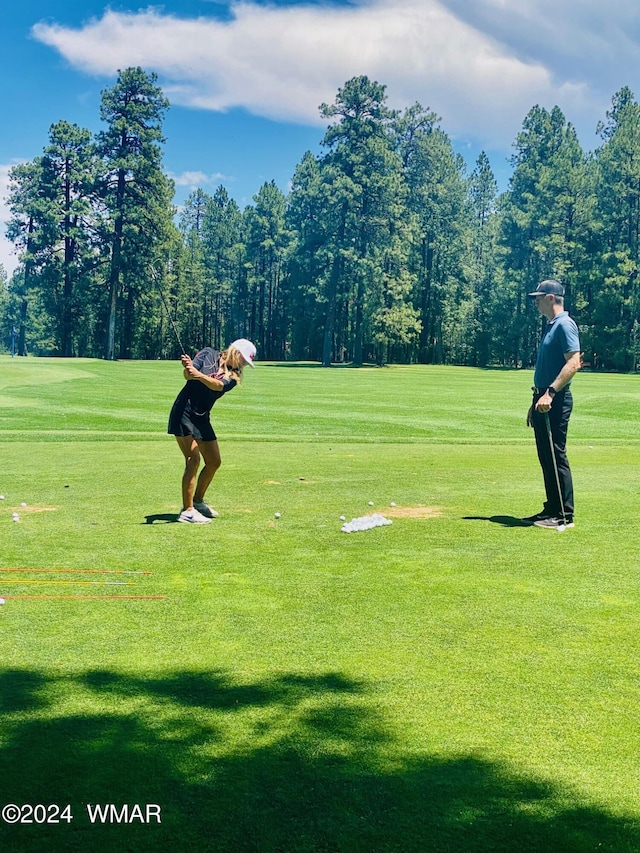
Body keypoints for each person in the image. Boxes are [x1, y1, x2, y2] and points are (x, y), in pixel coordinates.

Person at [168, 339, 256, 523]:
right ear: (236, 352)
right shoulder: (208, 354)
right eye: (243, 360)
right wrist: (188, 368)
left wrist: (197, 374)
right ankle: (187, 510)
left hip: (201, 417)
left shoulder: (234, 376)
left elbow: (218, 385)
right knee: (193, 459)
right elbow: (187, 375)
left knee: (214, 461)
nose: (243, 365)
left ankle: (198, 501)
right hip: (184, 411)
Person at [523, 280, 581, 529]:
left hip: (554, 399)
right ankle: (552, 507)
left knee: (556, 455)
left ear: (550, 298)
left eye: (538, 298)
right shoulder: (551, 326)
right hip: (543, 398)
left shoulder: (565, 325)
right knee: (546, 456)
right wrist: (536, 399)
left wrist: (550, 393)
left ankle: (564, 515)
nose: (535, 302)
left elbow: (574, 362)